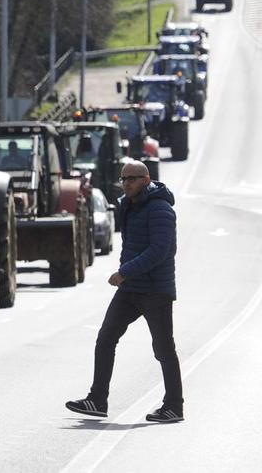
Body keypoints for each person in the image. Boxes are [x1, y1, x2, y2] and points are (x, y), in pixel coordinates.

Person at [66, 159, 182, 424]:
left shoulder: (160, 209)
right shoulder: (130, 206)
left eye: (132, 178)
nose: (126, 183)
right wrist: (127, 276)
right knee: (106, 338)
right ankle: (97, 400)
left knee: (163, 348)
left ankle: (174, 405)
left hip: (155, 290)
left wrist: (124, 272)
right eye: (123, 179)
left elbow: (159, 251)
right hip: (131, 290)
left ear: (146, 179)